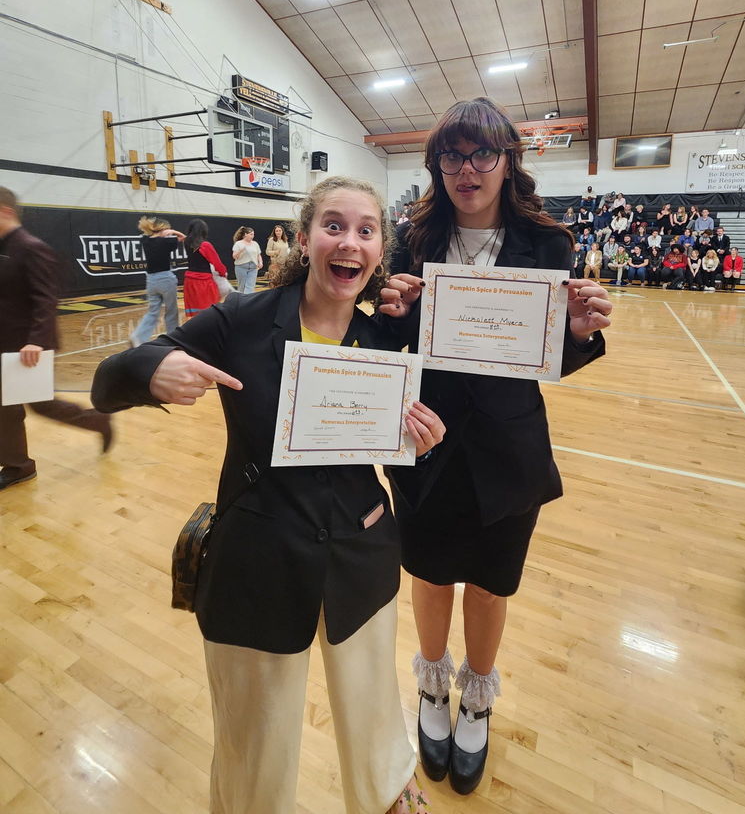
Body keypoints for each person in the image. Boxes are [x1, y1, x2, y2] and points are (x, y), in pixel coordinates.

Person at [92, 176, 445, 814]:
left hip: (360, 556)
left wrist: (421, 446)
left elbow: (403, 472)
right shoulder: (242, 321)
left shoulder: (386, 343)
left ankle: (390, 790)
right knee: (254, 740)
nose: (349, 242)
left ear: (380, 249)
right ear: (306, 238)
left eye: (366, 230)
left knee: (371, 710)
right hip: (256, 561)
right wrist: (151, 368)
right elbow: (105, 384)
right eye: (333, 225)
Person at [377, 98, 611, 795]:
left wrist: (577, 332)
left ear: (508, 161)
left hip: (509, 447)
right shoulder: (409, 242)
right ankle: (431, 691)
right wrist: (390, 311)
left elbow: (549, 361)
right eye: (452, 156)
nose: (467, 169)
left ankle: (477, 695)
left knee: (489, 581)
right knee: (429, 574)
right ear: (436, 165)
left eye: (483, 154)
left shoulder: (548, 244)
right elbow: (392, 346)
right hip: (424, 441)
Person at [0, 186, 112, 490]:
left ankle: (98, 420)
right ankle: (18, 466)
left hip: (27, 347)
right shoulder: (5, 247)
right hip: (6, 344)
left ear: (5, 211)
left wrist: (36, 339)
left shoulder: (30, 247)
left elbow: (46, 299)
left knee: (41, 405)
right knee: (6, 407)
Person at [131, 216, 186, 347]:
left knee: (152, 312)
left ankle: (137, 337)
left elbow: (148, 235)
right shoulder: (167, 242)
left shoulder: (145, 240)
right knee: (171, 311)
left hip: (151, 280)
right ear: (164, 229)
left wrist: (165, 233)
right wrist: (173, 232)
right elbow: (183, 237)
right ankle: (172, 339)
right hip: (165, 279)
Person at [232, 226, 262, 294]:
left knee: (250, 286)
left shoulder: (255, 244)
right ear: (245, 234)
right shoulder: (238, 243)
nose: (253, 236)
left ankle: (248, 301)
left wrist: (260, 262)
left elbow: (258, 254)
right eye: (251, 234)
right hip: (241, 266)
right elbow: (234, 256)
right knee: (241, 287)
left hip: (253, 267)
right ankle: (241, 301)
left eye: (253, 234)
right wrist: (240, 251)